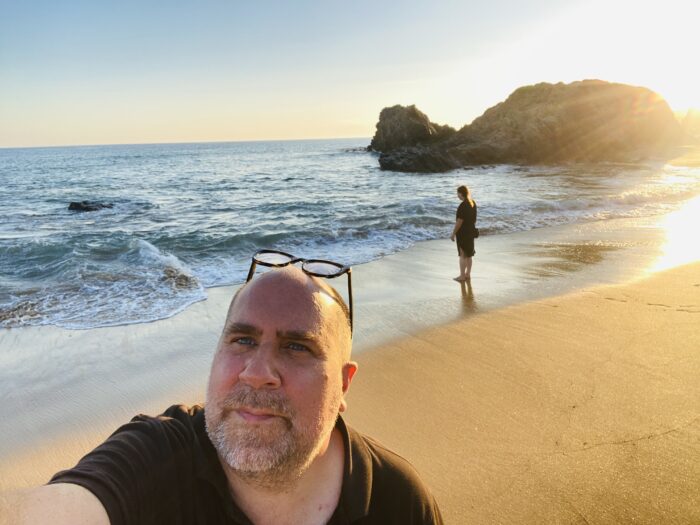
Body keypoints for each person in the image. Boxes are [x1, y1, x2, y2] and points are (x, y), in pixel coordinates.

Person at [2, 264, 443, 525]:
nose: (257, 374)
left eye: (296, 347)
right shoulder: (157, 458)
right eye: (242, 340)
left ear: (344, 384)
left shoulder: (396, 501)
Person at [450, 185, 477, 282]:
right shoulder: (472, 203)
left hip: (463, 233)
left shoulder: (463, 205)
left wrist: (453, 233)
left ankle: (462, 276)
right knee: (469, 254)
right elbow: (474, 219)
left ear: (461, 193)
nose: (457, 195)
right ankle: (467, 274)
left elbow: (459, 221)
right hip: (471, 231)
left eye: (458, 193)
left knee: (462, 255)